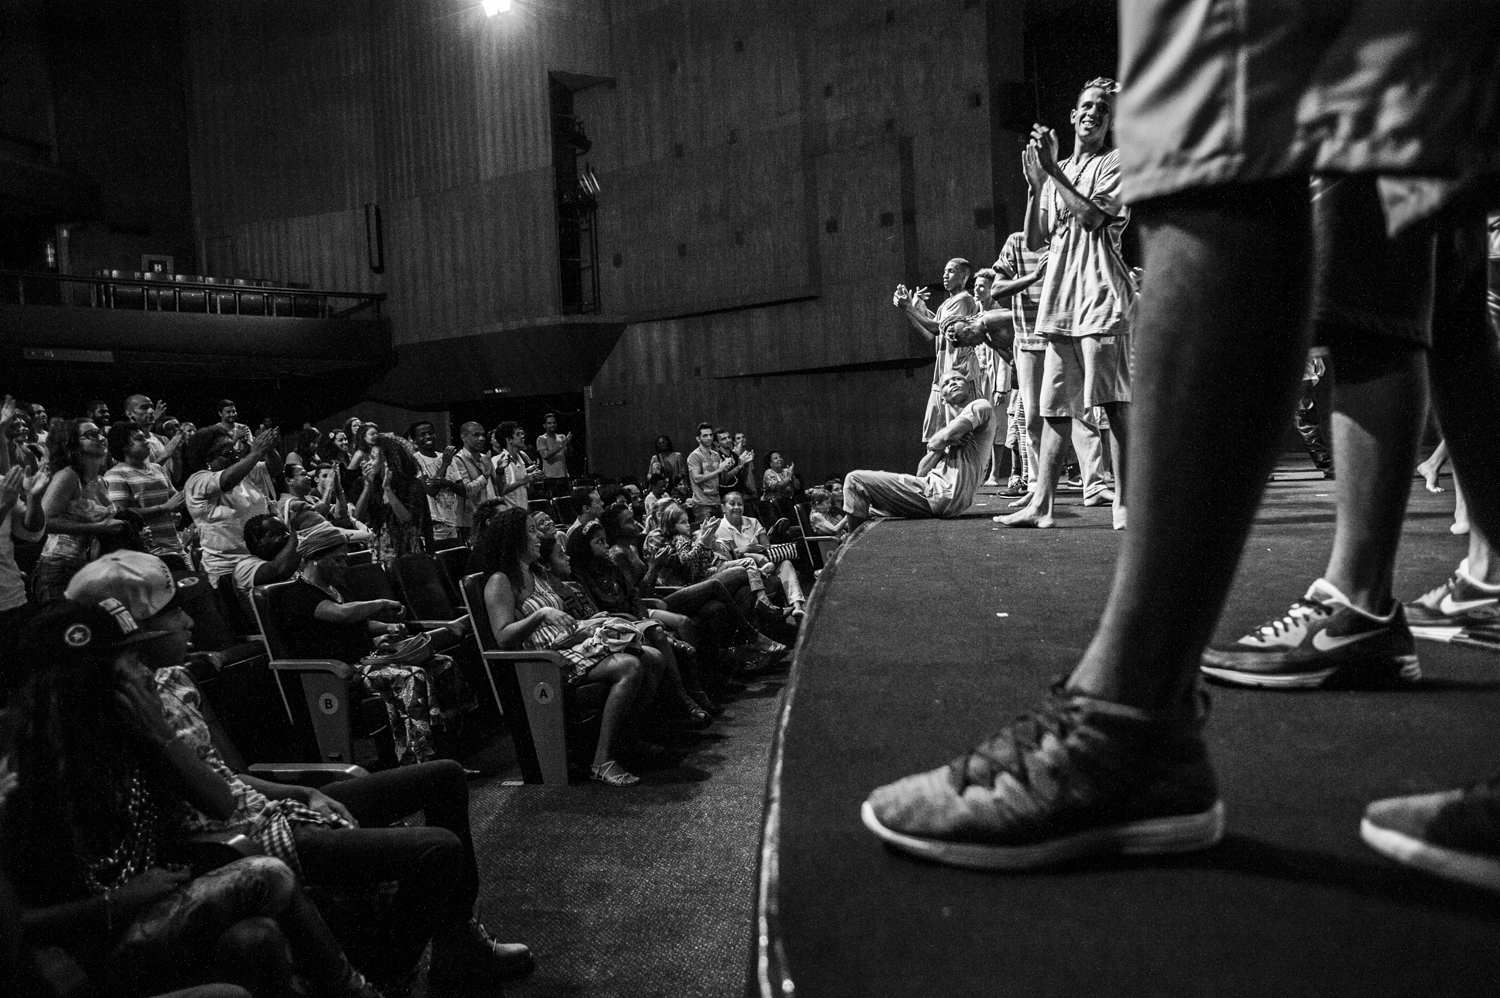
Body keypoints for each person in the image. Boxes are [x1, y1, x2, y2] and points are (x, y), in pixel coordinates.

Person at [861, 8, 1500, 885]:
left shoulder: (1093, 162)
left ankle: (1131, 718)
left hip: (1093, 298)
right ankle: (1380, 596)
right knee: (1419, 216)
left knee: (1215, 144)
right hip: (1066, 294)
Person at [60, 549, 533, 991]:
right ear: (136, 634)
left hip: (265, 809)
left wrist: (302, 792)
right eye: (172, 614)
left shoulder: (173, 679)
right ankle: (383, 975)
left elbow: (228, 775)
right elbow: (218, 802)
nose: (188, 621)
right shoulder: (126, 709)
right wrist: (162, 738)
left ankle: (460, 941)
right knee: (436, 850)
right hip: (232, 839)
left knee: (444, 775)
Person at [4, 600, 385, 998]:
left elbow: (222, 803)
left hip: (144, 911)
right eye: (131, 661)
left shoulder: (128, 737)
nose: (146, 673)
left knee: (255, 938)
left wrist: (163, 738)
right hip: (86, 947)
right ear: (88, 682)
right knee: (266, 875)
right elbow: (19, 924)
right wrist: (117, 900)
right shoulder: (23, 777)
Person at [997, 78, 1134, 531]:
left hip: (1100, 295)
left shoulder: (1116, 162)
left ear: (1110, 123)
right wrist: (1037, 185)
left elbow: (1094, 218)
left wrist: (1053, 171)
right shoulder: (1057, 172)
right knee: (1054, 407)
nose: (1093, 112)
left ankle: (1125, 504)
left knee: (1112, 403)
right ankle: (1043, 505)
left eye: (1102, 109)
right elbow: (1036, 240)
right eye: (1086, 105)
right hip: (1060, 300)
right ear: (1073, 116)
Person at [475, 508, 661, 786]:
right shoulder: (500, 581)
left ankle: (626, 740)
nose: (539, 536)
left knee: (654, 658)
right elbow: (502, 636)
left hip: (569, 646)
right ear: (514, 538)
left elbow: (562, 620)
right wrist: (540, 615)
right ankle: (602, 760)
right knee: (630, 666)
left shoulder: (537, 573)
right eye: (530, 531)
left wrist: (588, 623)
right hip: (544, 663)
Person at [282, 522, 470, 766]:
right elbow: (342, 615)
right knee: (411, 677)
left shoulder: (332, 589)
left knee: (443, 664)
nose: (343, 565)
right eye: (337, 559)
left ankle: (455, 747)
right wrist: (381, 602)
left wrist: (387, 629)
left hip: (369, 658)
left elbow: (359, 624)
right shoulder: (298, 595)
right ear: (314, 559)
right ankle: (419, 760)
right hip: (341, 672)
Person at [564, 523, 715, 724]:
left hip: (636, 616)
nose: (606, 545)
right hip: (616, 623)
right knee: (658, 634)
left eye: (605, 540)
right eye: (599, 542)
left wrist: (641, 615)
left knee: (684, 621)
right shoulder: (580, 575)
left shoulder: (610, 564)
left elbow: (633, 594)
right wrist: (633, 618)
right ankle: (683, 698)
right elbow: (600, 609)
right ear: (585, 547)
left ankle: (697, 688)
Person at [840, 372, 997, 531]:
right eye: (946, 383)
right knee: (872, 507)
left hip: (942, 493)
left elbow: (946, 436)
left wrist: (942, 440)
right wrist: (941, 446)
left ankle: (850, 542)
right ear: (942, 398)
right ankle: (844, 534)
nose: (953, 383)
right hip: (935, 492)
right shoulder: (947, 430)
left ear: (969, 387)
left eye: (958, 379)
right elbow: (921, 472)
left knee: (854, 480)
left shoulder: (980, 405)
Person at [33, 418, 126, 604]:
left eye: (100, 433)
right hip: (59, 568)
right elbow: (45, 522)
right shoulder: (67, 476)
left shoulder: (101, 480)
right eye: (92, 435)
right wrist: (99, 527)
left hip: (90, 566)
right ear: (72, 442)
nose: (101, 438)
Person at [895, 259, 983, 441]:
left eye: (951, 271)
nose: (945, 275)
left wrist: (910, 307)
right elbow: (929, 334)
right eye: (944, 271)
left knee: (962, 437)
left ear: (964, 277)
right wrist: (912, 308)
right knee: (933, 436)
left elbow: (935, 327)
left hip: (960, 375)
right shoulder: (945, 305)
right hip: (943, 376)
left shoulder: (964, 299)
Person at [183, 425, 278, 588]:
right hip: (229, 571)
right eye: (227, 454)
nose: (235, 458)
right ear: (207, 461)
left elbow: (274, 468)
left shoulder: (244, 473)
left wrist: (269, 449)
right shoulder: (197, 481)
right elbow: (227, 480)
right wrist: (256, 452)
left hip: (261, 561)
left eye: (235, 452)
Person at [104, 422, 187, 567]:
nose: (147, 441)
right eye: (139, 439)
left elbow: (175, 500)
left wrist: (184, 500)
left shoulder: (157, 468)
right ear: (124, 446)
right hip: (148, 551)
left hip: (175, 544)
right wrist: (164, 508)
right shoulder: (116, 474)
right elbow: (121, 515)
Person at [714, 491, 806, 622]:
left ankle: (797, 606)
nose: (736, 507)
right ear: (723, 507)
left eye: (740, 504)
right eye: (732, 504)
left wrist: (746, 549)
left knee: (786, 564)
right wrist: (752, 550)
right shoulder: (721, 527)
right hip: (745, 567)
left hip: (765, 561)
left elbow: (767, 545)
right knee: (767, 565)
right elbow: (735, 554)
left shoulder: (753, 522)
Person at [0, 458, 47, 700]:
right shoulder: (4, 493)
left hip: (12, 601)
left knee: (26, 692)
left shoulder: (1, 485)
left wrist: (33, 499)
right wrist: (3, 505)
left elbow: (30, 532)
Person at [406, 421, 460, 545]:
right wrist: (444, 464)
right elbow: (431, 491)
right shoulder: (414, 460)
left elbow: (462, 490)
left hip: (452, 520)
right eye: (422, 434)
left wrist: (447, 483)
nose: (428, 437)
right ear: (415, 439)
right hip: (433, 524)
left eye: (430, 433)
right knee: (438, 560)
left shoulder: (446, 457)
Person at [447, 421, 495, 542]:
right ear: (464, 437)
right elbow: (467, 490)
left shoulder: (485, 458)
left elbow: (495, 490)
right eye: (476, 435)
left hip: (490, 518)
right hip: (470, 522)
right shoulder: (457, 460)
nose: (482, 438)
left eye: (483, 435)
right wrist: (486, 474)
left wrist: (498, 472)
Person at [687, 422, 743, 523]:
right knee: (708, 534)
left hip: (717, 501)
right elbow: (696, 478)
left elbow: (723, 480)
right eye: (705, 435)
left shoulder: (716, 455)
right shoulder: (694, 456)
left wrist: (728, 469)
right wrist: (719, 470)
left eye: (711, 435)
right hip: (702, 504)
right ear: (698, 439)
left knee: (722, 534)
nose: (709, 438)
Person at [493, 420, 543, 512]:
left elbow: (526, 491)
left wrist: (532, 479)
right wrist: (523, 481)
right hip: (507, 514)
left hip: (522, 512)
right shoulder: (498, 461)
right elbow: (500, 491)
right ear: (509, 439)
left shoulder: (521, 460)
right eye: (518, 434)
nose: (522, 436)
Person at [534, 412, 571, 497]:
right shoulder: (541, 439)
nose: (552, 425)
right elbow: (545, 455)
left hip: (564, 476)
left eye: (554, 422)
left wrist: (568, 443)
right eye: (549, 423)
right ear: (544, 425)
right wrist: (561, 445)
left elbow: (569, 454)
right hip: (550, 478)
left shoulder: (562, 437)